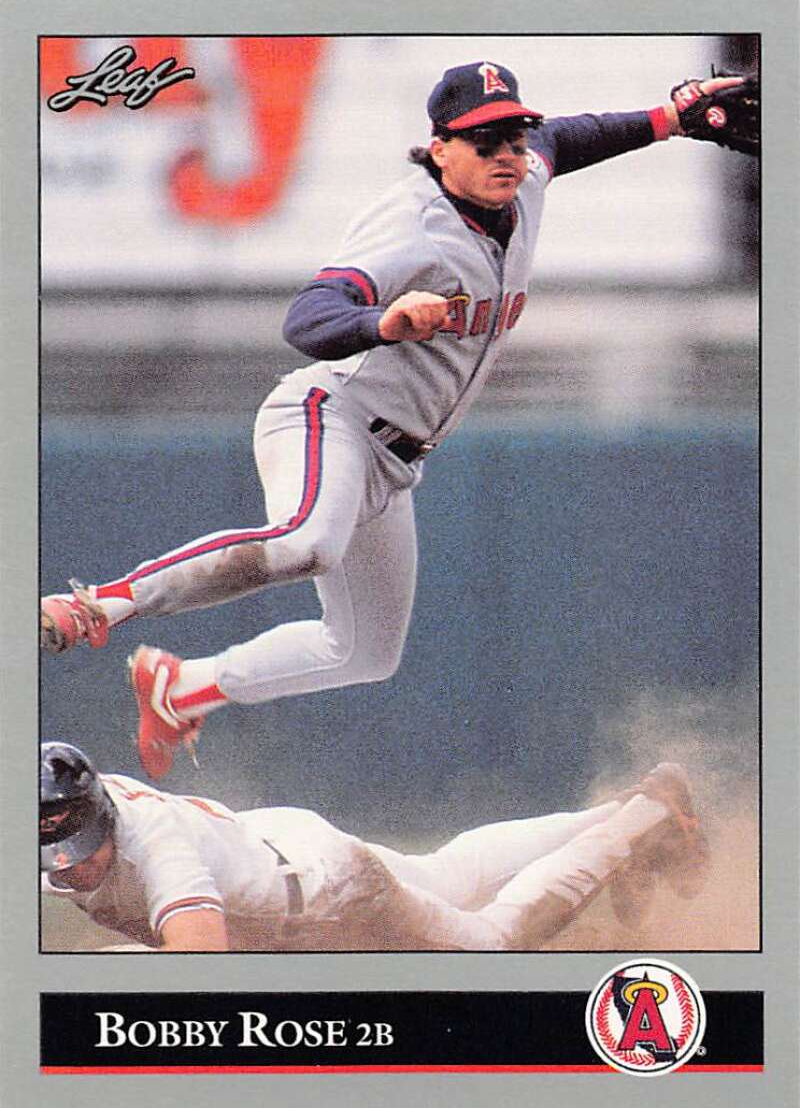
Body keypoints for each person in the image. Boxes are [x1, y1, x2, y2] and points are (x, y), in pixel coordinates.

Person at [40, 61, 748, 780]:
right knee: (305, 543)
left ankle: (183, 687)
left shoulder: (524, 175)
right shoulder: (414, 223)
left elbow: (570, 137)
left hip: (395, 460)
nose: (506, 153)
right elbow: (307, 317)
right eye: (484, 141)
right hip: (330, 417)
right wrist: (382, 320)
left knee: (364, 653)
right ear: (440, 148)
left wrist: (671, 119)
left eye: (513, 135)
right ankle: (101, 605)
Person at [41, 741, 710, 952]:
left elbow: (202, 966)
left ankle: (642, 822)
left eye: (84, 843)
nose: (79, 862)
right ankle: (617, 809)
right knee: (447, 872)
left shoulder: (152, 842)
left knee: (491, 947)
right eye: (59, 850)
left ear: (100, 813)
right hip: (280, 847)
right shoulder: (50, 819)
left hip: (330, 899)